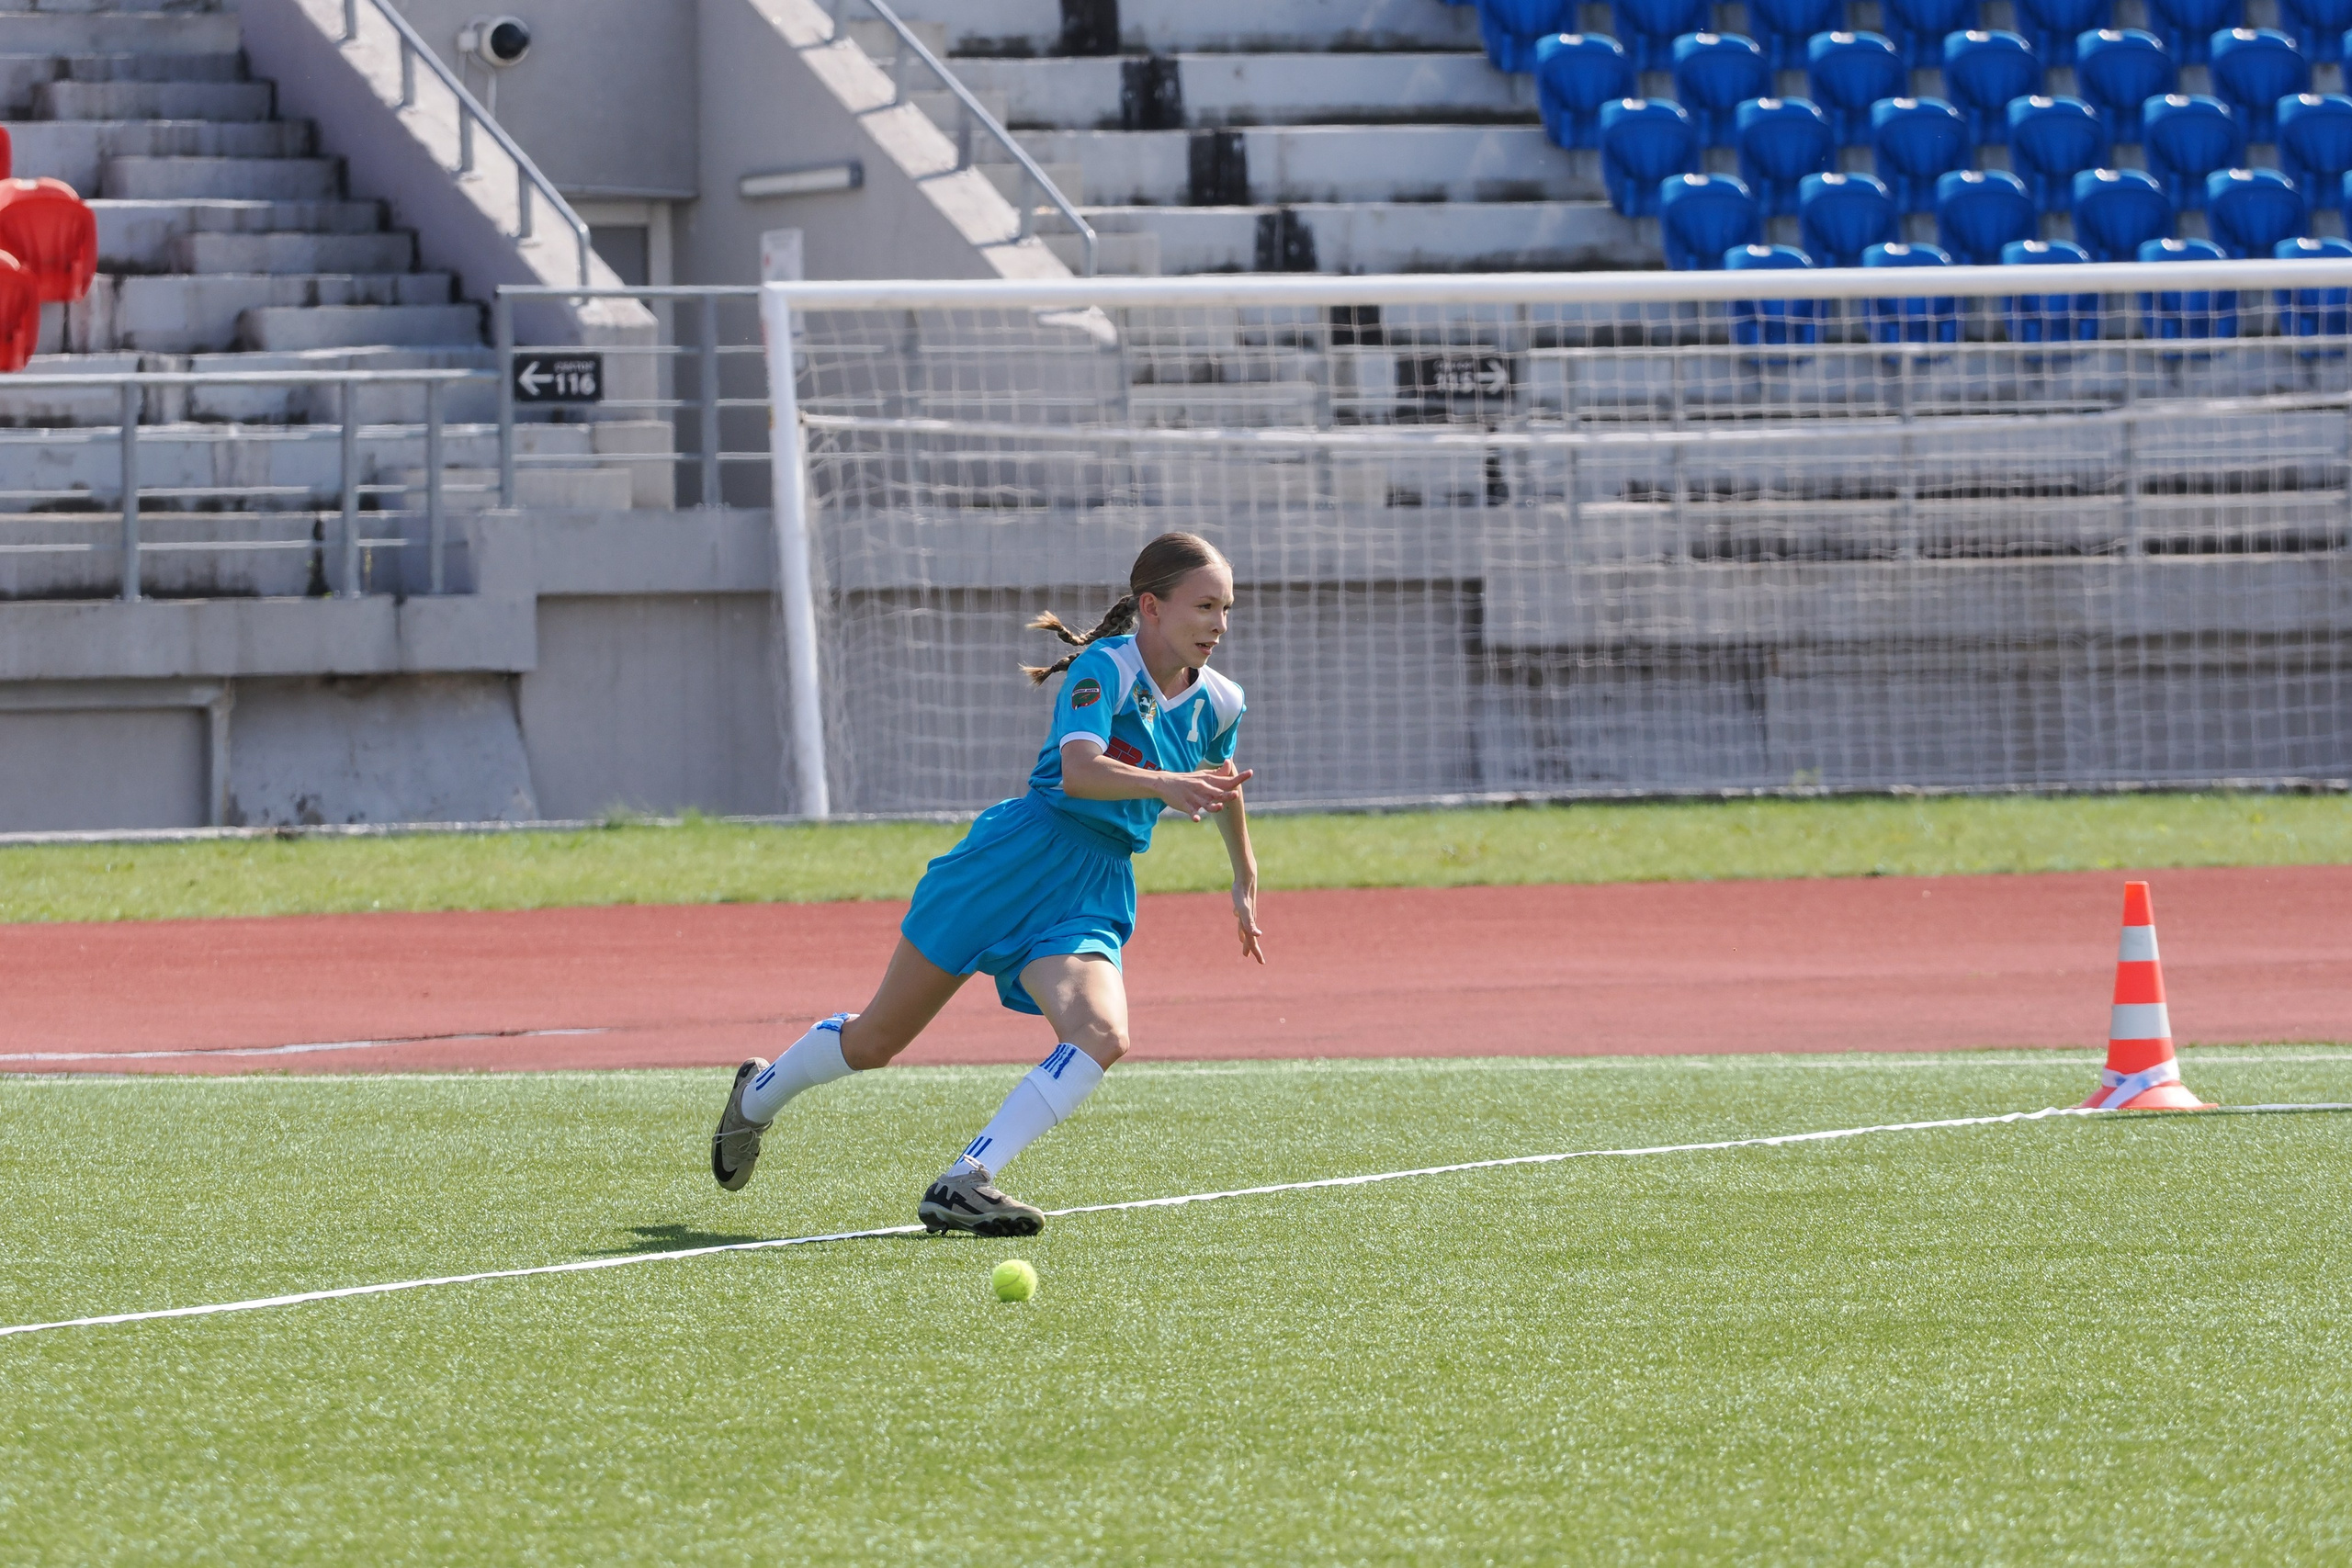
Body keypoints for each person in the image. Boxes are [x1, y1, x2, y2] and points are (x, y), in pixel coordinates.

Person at [711, 532, 1264, 1236]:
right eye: (1206, 605)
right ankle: (755, 1097)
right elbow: (1078, 770)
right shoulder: (1104, 668)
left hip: (1092, 886)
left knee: (1102, 1032)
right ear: (1151, 607)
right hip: (1011, 861)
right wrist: (1166, 783)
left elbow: (1223, 779)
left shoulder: (1221, 699)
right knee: (876, 1040)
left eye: (1228, 608)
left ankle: (966, 1178)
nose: (1219, 623)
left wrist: (1244, 874)